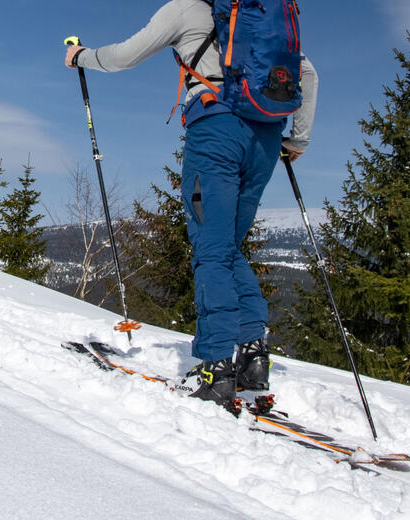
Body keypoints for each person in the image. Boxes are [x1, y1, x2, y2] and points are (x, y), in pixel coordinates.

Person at [64, 0, 318, 407]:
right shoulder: (261, 14)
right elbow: (306, 73)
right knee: (227, 248)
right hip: (266, 139)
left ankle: (216, 369)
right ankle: (253, 356)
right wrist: (298, 139)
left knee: (212, 251)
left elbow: (126, 55)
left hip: (216, 129)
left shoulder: (186, 9)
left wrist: (82, 57)